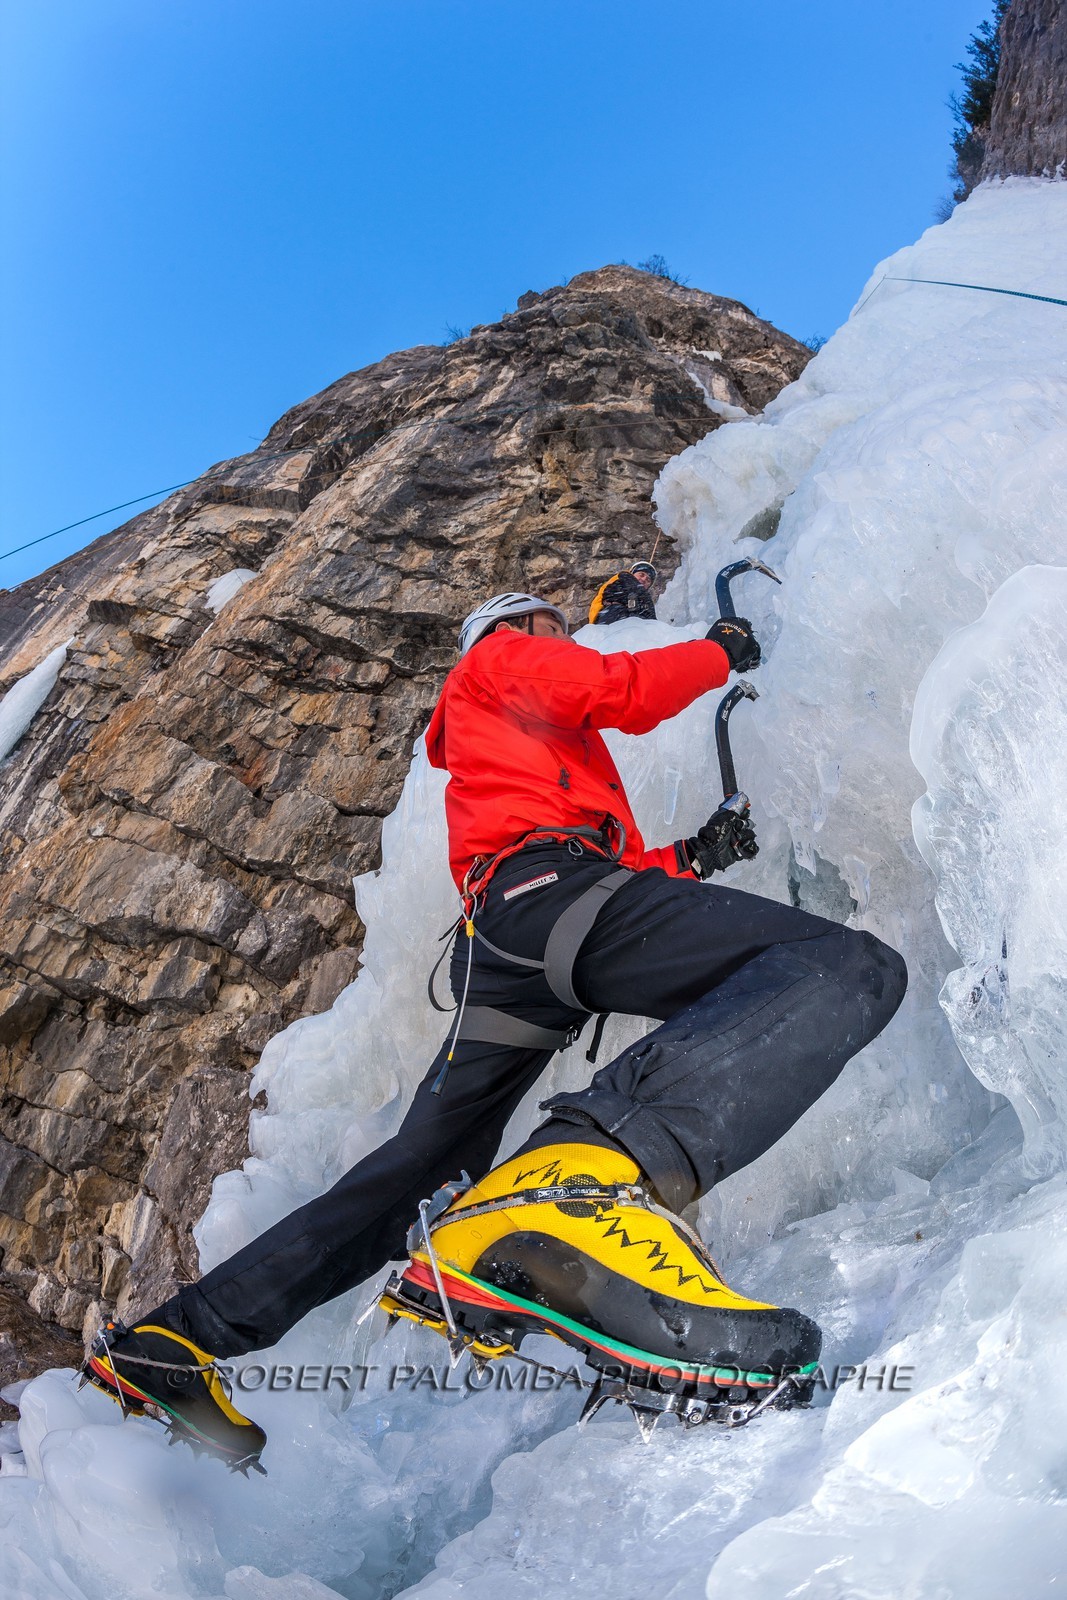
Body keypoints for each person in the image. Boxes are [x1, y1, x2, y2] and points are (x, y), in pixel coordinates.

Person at [86, 591, 907, 1465]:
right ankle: (583, 1180)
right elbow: (617, 689)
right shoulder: (499, 658)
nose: (568, 636)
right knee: (847, 967)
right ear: (517, 630)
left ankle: (173, 1344)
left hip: (517, 933)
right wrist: (718, 651)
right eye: (555, 626)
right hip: (551, 902)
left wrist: (692, 859)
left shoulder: (511, 743)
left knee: (421, 1169)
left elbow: (603, 868)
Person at [589, 560, 659, 624]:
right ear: (632, 574)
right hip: (609, 620)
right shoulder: (624, 579)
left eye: (648, 580)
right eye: (641, 575)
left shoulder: (643, 598)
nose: (644, 579)